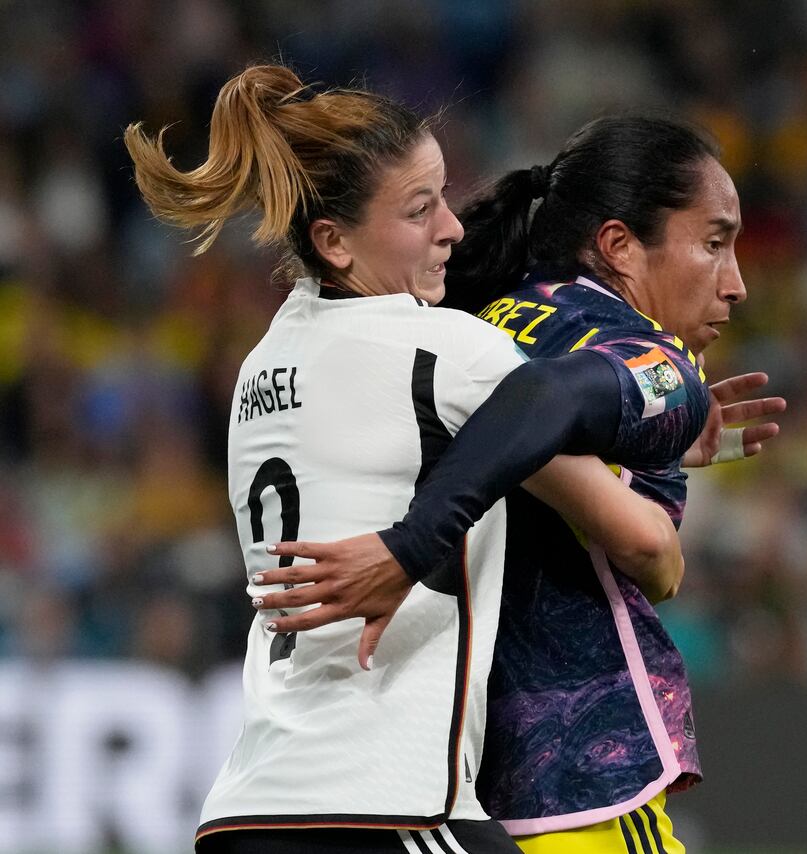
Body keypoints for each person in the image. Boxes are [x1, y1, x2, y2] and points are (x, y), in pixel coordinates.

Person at [127, 64, 690, 854]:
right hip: (384, 808)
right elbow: (642, 541)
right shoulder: (446, 350)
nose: (453, 230)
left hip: (248, 807)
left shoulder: (259, 367)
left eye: (445, 200)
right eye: (420, 210)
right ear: (335, 242)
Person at [254, 114, 785, 853]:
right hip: (581, 768)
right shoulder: (645, 353)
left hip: (457, 769)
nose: (736, 284)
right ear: (620, 246)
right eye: (714, 243)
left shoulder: (481, 320)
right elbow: (647, 549)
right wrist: (412, 547)